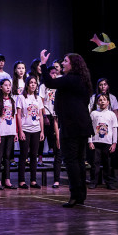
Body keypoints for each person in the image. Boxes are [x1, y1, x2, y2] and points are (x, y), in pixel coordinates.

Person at [39, 49, 93, 208]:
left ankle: (75, 195)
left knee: (71, 161)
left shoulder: (71, 79)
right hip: (81, 125)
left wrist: (43, 64)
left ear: (73, 64)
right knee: (79, 161)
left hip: (72, 126)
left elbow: (50, 83)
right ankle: (80, 195)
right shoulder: (81, 79)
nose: (62, 63)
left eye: (65, 61)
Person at [16, 75, 45, 190]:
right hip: (25, 129)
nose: (33, 84)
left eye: (34, 83)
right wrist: (20, 131)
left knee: (34, 156)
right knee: (23, 156)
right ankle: (21, 181)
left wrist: (42, 131)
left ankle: (33, 180)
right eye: (31, 83)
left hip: (36, 130)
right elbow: (18, 115)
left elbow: (41, 116)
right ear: (27, 85)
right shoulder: (21, 97)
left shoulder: (38, 99)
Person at [88, 94, 118, 190]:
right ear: (97, 102)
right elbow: (90, 129)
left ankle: (109, 182)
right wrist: (90, 141)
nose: (102, 101)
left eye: (104, 100)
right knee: (95, 164)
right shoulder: (93, 113)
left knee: (107, 164)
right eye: (100, 100)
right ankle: (93, 182)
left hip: (107, 143)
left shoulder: (111, 114)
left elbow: (114, 129)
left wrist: (114, 143)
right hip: (96, 142)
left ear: (108, 102)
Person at [39, 65, 62, 188]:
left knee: (57, 146)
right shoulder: (44, 86)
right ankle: (41, 158)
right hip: (47, 114)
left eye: (55, 73)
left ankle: (57, 179)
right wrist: (44, 116)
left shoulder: (59, 84)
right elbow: (41, 101)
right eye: (51, 73)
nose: (53, 75)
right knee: (44, 138)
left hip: (58, 115)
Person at [0, 79, 18, 190]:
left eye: (9, 85)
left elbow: (15, 117)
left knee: (8, 157)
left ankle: (7, 180)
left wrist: (16, 132)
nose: (8, 87)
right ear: (1, 87)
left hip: (10, 132)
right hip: (1, 132)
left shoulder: (12, 101)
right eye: (6, 85)